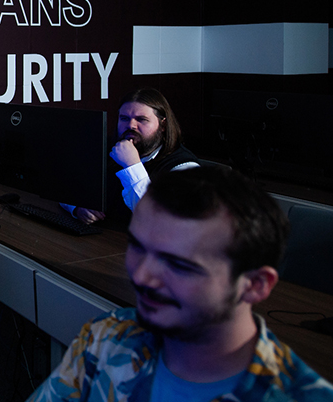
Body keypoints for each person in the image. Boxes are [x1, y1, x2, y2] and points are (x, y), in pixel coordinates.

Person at [28, 165, 333, 402]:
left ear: (255, 284)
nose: (142, 277)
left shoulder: (298, 395)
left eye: (178, 264)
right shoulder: (106, 337)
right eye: (137, 247)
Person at [63, 88, 199, 224]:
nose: (131, 125)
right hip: (103, 238)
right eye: (124, 118)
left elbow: (159, 220)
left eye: (142, 120)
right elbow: (66, 186)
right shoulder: (108, 148)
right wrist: (77, 208)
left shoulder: (185, 168)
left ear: (163, 125)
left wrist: (132, 166)